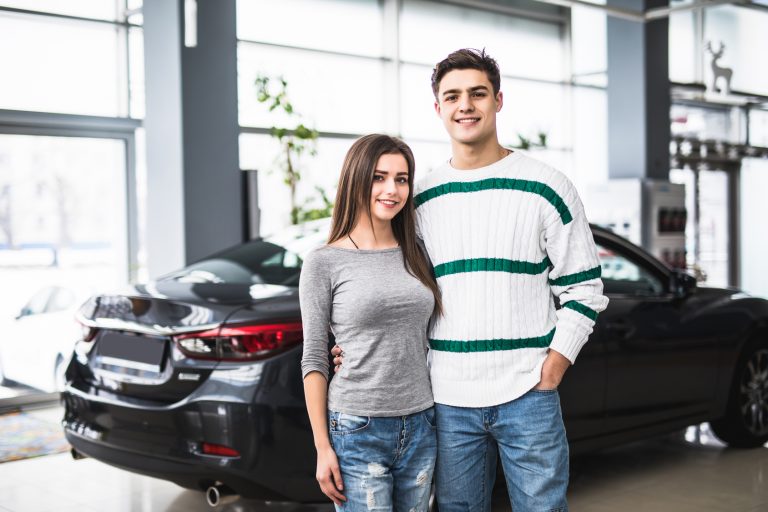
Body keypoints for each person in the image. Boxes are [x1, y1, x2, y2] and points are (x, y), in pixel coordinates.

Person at [334, 49, 608, 511]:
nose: (466, 105)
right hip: (446, 398)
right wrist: (352, 342)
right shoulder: (418, 199)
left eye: (477, 93)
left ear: (498, 100)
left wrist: (554, 366)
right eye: (452, 96)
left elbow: (584, 289)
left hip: (528, 393)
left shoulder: (546, 186)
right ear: (437, 108)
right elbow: (381, 279)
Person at [300, 134, 443, 511]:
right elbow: (314, 357)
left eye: (401, 179)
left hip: (422, 422)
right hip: (357, 427)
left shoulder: (418, 252)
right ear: (356, 179)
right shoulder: (324, 262)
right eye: (379, 177)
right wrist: (322, 448)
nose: (391, 189)